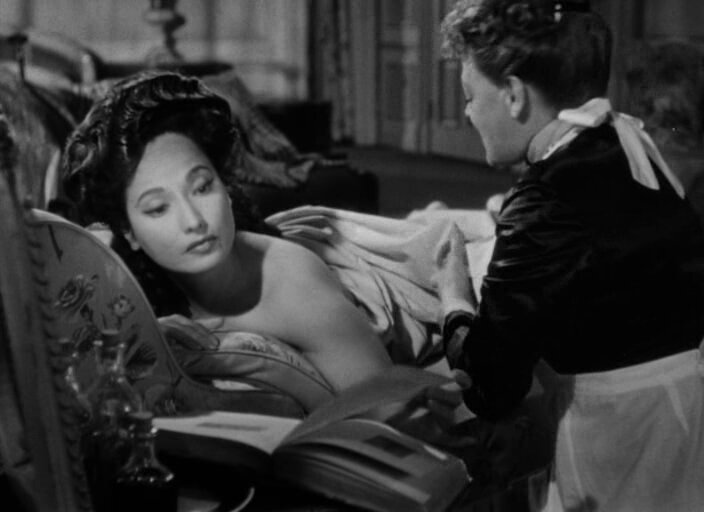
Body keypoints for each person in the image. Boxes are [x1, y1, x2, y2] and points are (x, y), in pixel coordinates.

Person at [435, 0, 704, 510]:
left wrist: (454, 295)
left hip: (622, 441)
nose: (467, 113)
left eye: (470, 97)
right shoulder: (623, 142)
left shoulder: (544, 198)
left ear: (514, 95)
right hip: (682, 410)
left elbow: (490, 387)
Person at [60, 71, 392, 393]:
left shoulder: (295, 286)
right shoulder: (106, 274)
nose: (194, 221)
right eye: (158, 208)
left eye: (202, 187)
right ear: (128, 231)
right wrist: (145, 339)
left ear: (226, 187)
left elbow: (388, 413)